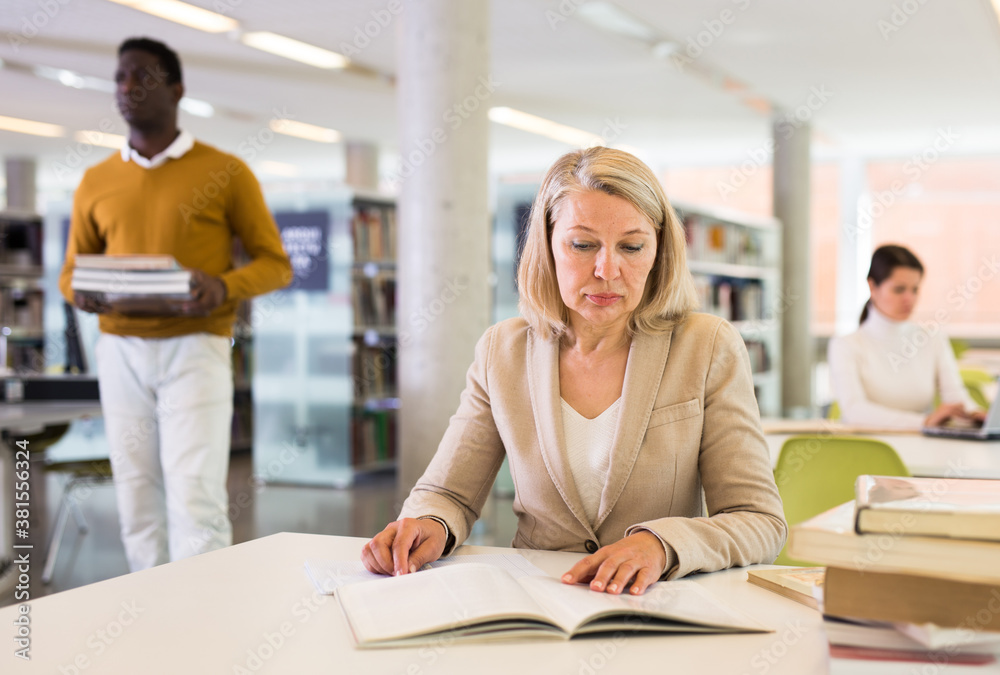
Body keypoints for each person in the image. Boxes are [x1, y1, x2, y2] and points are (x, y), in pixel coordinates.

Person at [362, 147, 786, 595]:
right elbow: (448, 494)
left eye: (632, 247)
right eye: (583, 245)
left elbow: (759, 521)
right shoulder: (501, 352)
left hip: (654, 605)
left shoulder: (707, 346)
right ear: (547, 245)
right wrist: (427, 524)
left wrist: (662, 546)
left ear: (658, 251)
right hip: (540, 600)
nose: (607, 270)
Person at [58, 37, 292, 571]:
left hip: (195, 347)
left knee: (195, 497)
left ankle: (201, 610)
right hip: (119, 351)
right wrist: (80, 292)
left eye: (142, 76)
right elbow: (70, 272)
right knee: (135, 495)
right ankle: (146, 607)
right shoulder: (96, 180)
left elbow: (275, 263)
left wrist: (223, 287)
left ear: (177, 89)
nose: (127, 88)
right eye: (120, 77)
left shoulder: (226, 171)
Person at [828, 244, 981, 430]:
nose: (909, 298)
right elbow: (854, 411)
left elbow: (956, 399)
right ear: (872, 286)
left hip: (921, 443)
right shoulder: (845, 345)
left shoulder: (932, 339)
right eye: (899, 289)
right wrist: (924, 422)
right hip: (867, 444)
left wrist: (977, 415)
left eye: (915, 289)